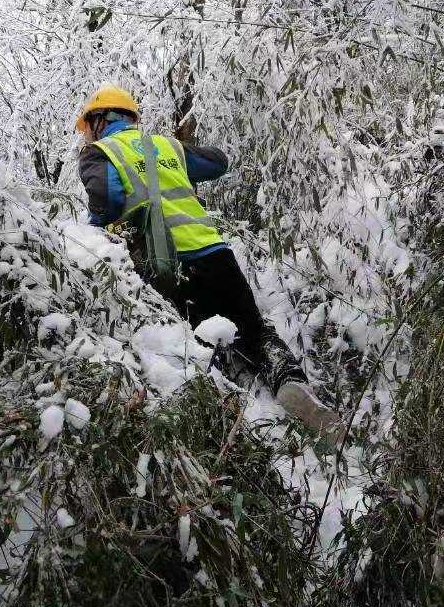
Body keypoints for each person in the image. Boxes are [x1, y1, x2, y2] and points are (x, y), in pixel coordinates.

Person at [74, 84, 338, 433]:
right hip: (215, 252)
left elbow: (105, 199)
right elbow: (217, 162)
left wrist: (95, 233)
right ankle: (291, 382)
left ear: (99, 119)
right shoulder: (165, 146)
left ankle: (235, 426)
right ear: (131, 118)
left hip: (165, 267)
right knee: (253, 329)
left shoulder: (97, 153)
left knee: (198, 349)